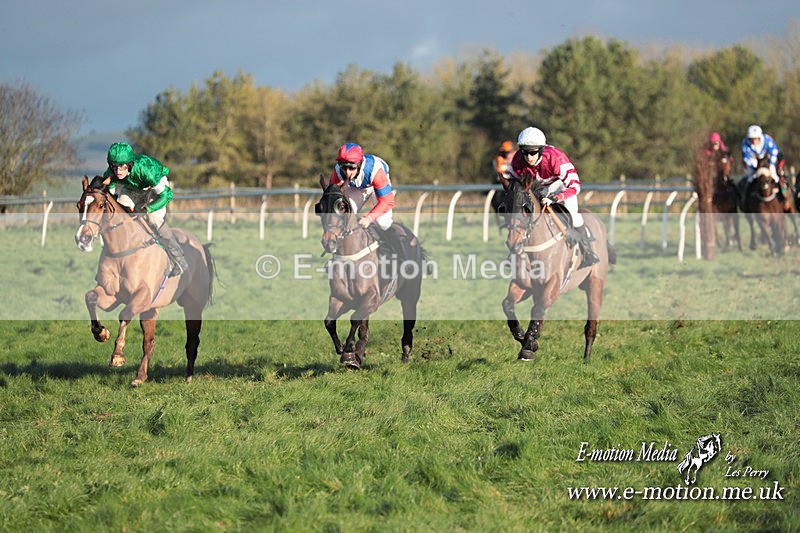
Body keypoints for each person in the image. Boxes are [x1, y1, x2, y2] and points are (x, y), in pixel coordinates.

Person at [509, 126, 599, 268]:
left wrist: (556, 198)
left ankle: (588, 253)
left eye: (532, 153)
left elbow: (575, 186)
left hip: (561, 187)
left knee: (574, 217)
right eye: (525, 153)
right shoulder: (517, 161)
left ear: (541, 150)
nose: (529, 157)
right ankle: (515, 254)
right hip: (537, 188)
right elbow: (514, 182)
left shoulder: (556, 158)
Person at [103, 142, 188, 277]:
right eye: (114, 167)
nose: (118, 171)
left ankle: (178, 258)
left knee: (153, 219)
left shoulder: (147, 171)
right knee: (119, 216)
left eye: (122, 167)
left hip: (155, 189)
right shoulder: (111, 172)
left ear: (129, 164)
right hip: (132, 189)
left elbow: (167, 195)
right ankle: (115, 258)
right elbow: (110, 188)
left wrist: (148, 208)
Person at [328, 143, 411, 260]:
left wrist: (370, 218)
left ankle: (403, 258)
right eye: (344, 167)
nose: (347, 172)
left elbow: (388, 200)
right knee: (343, 215)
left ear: (360, 164)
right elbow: (333, 196)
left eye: (351, 168)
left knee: (383, 223)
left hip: (376, 186)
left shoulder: (374, 170)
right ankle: (338, 257)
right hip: (356, 188)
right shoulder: (337, 171)